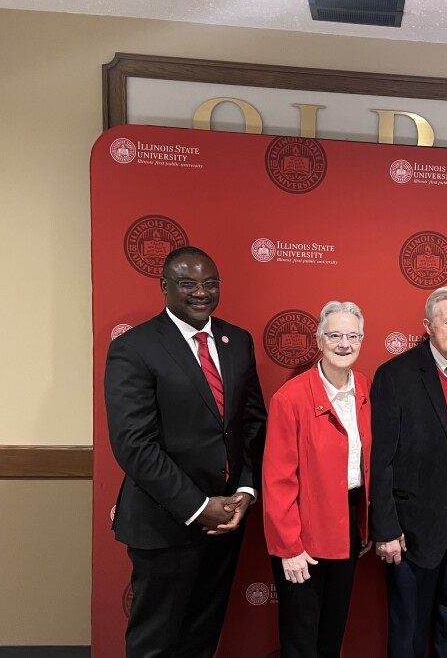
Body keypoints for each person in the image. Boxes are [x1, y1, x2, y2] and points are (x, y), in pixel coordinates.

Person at [104, 246, 267, 657]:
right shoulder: (135, 347)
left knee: (202, 638)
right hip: (165, 525)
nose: (201, 293)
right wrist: (198, 506)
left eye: (210, 284)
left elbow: (251, 425)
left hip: (226, 524)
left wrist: (244, 493)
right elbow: (133, 444)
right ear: (164, 286)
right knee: (155, 643)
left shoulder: (237, 341)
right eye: (188, 284)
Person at [370, 286, 447, 658]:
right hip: (412, 525)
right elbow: (380, 459)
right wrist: (387, 528)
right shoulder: (396, 374)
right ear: (428, 326)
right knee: (409, 627)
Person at [262, 301, 372, 658]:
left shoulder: (365, 388)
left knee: (332, 630)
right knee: (302, 635)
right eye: (335, 335)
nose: (344, 344)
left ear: (362, 340)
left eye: (352, 336)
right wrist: (289, 548)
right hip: (305, 533)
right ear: (319, 339)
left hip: (349, 524)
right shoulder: (290, 398)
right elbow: (277, 481)